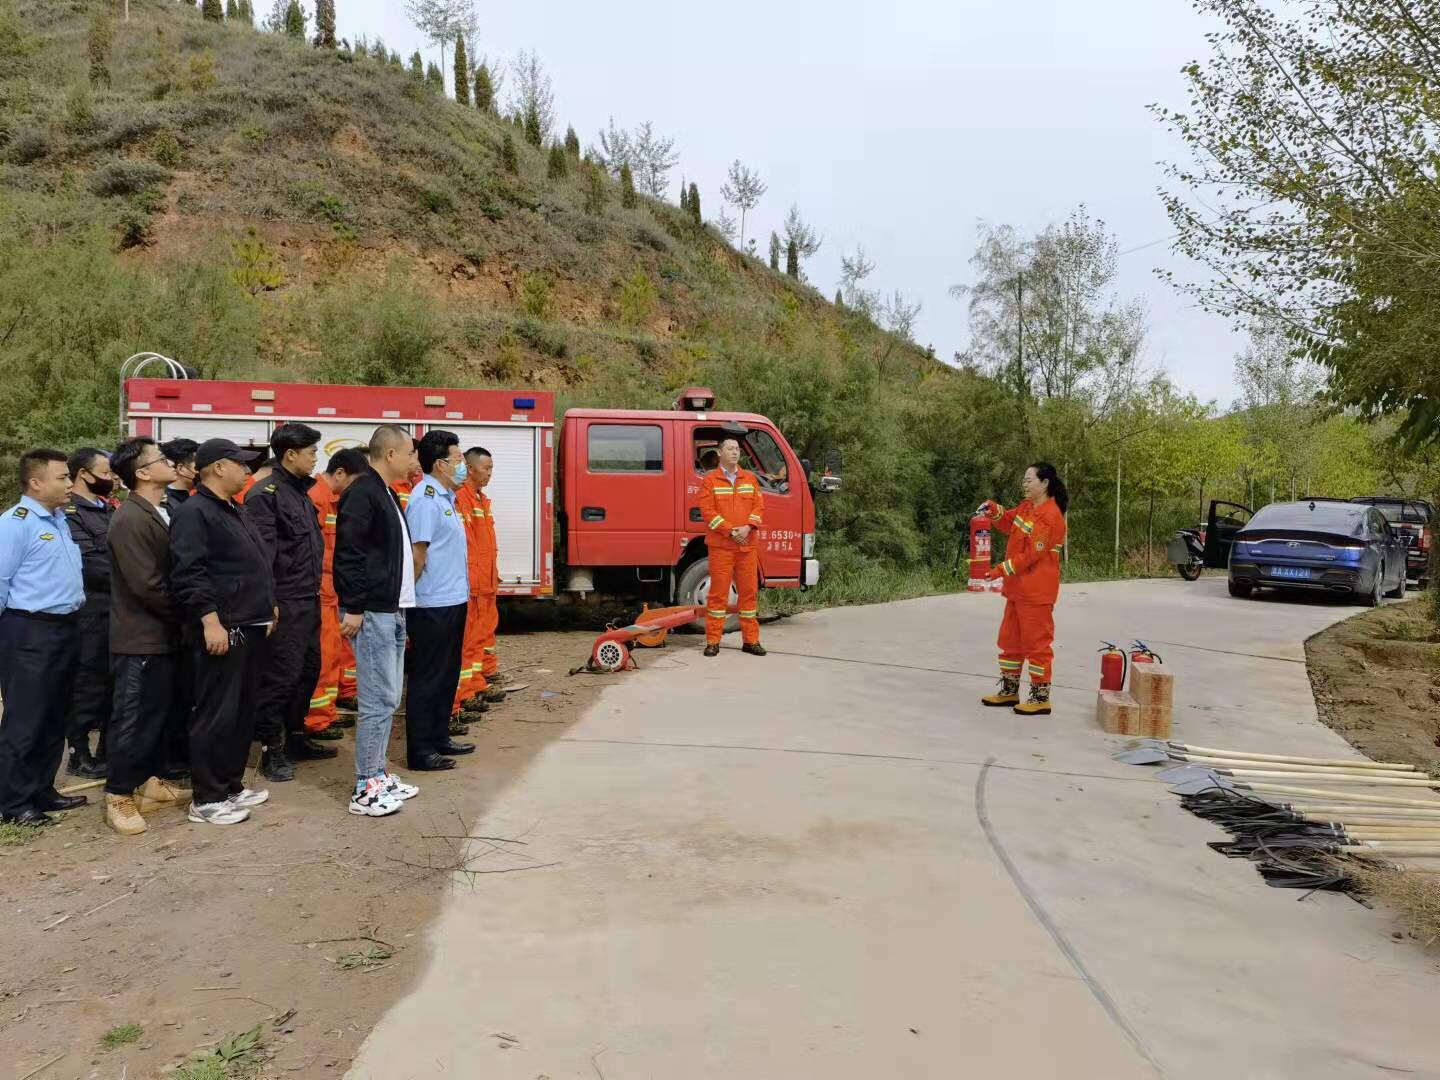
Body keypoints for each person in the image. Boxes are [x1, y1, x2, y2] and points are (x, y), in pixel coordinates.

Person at [169, 438, 277, 825]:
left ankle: (230, 784)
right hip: (223, 627)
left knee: (242, 710)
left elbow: (254, 562)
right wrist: (210, 619)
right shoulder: (195, 512)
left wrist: (268, 605)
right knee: (216, 712)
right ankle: (207, 798)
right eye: (241, 464)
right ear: (217, 468)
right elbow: (190, 572)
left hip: (250, 622)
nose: (247, 471)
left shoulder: (234, 507)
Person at [334, 425, 421, 817]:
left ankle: (379, 773)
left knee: (388, 698)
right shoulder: (362, 493)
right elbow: (349, 555)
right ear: (390, 455)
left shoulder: (384, 492)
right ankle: (365, 786)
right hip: (370, 611)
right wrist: (353, 606)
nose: (413, 461)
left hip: (390, 609)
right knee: (375, 700)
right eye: (410, 453)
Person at [104, 438, 188, 836]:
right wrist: (190, 615)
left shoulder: (163, 509)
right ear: (141, 473)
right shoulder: (129, 519)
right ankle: (118, 794)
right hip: (140, 636)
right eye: (161, 459)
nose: (169, 463)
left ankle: (150, 782)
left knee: (158, 714)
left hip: (164, 636)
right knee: (132, 718)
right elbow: (148, 585)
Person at [0, 449, 87, 827]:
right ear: (36, 482)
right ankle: (13, 802)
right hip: (28, 630)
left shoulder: (57, 520)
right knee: (26, 718)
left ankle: (42, 790)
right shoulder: (15, 523)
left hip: (65, 627)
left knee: (55, 715)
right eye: (62, 477)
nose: (70, 484)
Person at [245, 424, 333, 782]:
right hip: (284, 602)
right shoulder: (265, 494)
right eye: (311, 452)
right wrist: (269, 603)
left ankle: (295, 736)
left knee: (308, 671)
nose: (316, 458)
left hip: (307, 599)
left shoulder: (300, 492)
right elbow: (261, 557)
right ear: (290, 454)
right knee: (280, 678)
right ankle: (271, 749)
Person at [403, 431, 475, 771]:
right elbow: (418, 557)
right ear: (439, 464)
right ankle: (420, 750)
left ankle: (438, 735)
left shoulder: (446, 498)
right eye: (458, 460)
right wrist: (407, 604)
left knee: (447, 674)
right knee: (427, 677)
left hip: (452, 600)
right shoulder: (425, 499)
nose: (463, 466)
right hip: (431, 604)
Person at [979, 462, 1070, 716]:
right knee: (1010, 641)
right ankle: (1009, 691)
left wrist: (1000, 570)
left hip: (1037, 591)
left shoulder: (1051, 517)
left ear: (1045, 483)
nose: (1025, 483)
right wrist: (995, 510)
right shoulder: (1027, 508)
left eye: (1029, 479)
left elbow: (1032, 555)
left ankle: (1040, 697)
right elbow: (1009, 523)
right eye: (1024, 479)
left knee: (1037, 644)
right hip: (1017, 590)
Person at [302, 448, 367, 738]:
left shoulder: (334, 500)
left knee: (335, 655)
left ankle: (325, 712)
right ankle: (314, 720)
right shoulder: (316, 497)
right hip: (319, 592)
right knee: (323, 657)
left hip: (333, 592)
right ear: (339, 473)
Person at [62, 448, 117, 780]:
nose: (111, 478)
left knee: (114, 684)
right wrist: (134, 575)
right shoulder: (71, 514)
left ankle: (106, 752)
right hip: (92, 612)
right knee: (87, 684)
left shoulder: (108, 510)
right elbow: (91, 564)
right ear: (84, 474)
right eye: (106, 472)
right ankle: (78, 753)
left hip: (118, 610)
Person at [698, 435, 766, 658]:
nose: (735, 452)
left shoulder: (750, 479)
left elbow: (759, 507)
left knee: (748, 594)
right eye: (730, 449)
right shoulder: (710, 480)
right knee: (718, 595)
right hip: (721, 547)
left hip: (747, 546)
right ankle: (713, 642)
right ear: (719, 453)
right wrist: (730, 531)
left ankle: (751, 641)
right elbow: (708, 512)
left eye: (737, 449)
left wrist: (748, 527)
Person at [466, 447, 506, 693]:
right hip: (474, 585)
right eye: (486, 468)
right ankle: (473, 685)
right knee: (471, 638)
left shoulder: (480, 499)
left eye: (492, 468)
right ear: (470, 468)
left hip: (487, 582)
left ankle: (486, 671)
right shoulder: (463, 498)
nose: (490, 473)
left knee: (486, 633)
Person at [161, 438, 199, 507]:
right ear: (181, 469)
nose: (203, 470)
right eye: (199, 465)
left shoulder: (191, 497)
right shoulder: (167, 504)